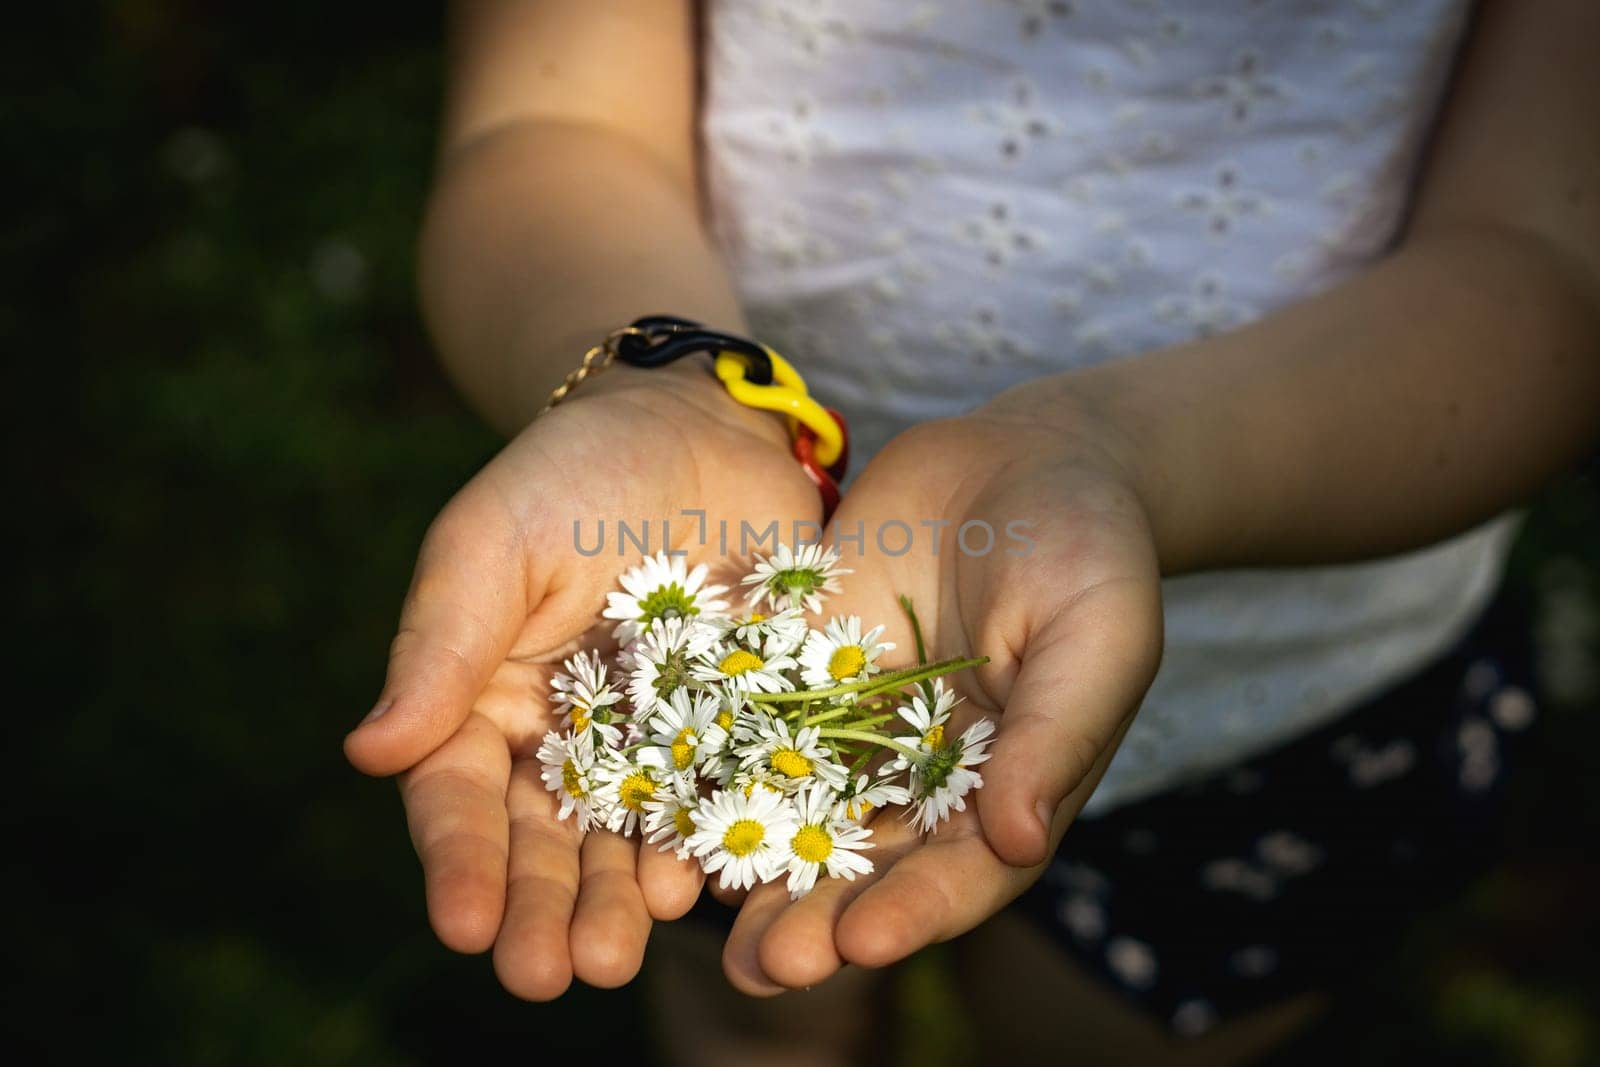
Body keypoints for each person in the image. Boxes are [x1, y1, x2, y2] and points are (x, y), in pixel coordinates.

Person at [344, 0, 1599, 1061]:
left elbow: (1543, 268)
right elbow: (552, 118)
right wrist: (660, 378)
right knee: (756, 991)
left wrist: (1120, 463)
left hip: (1297, 677)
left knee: (1123, 1031)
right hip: (745, 634)